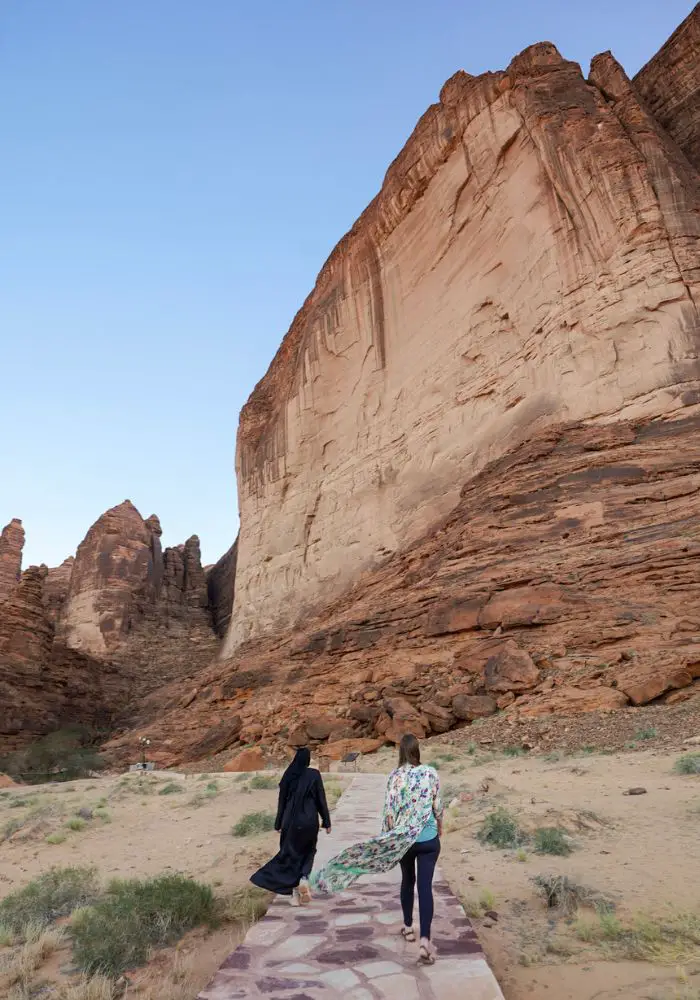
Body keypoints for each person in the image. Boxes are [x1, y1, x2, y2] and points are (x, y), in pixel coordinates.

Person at [311, 733, 443, 964]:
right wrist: (439, 826)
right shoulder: (430, 772)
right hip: (428, 839)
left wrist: (386, 838)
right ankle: (424, 940)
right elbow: (437, 804)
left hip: (403, 840)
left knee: (407, 881)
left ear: (400, 752)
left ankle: (408, 927)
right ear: (417, 750)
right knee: (424, 888)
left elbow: (389, 811)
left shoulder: (395, 776)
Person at [250, 747, 331, 905]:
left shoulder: (288, 775)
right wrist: (326, 821)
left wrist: (278, 823)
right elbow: (321, 799)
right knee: (309, 850)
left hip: (290, 822)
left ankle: (293, 895)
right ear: (307, 760)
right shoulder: (314, 774)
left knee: (290, 854)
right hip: (309, 821)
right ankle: (303, 879)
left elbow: (282, 802)